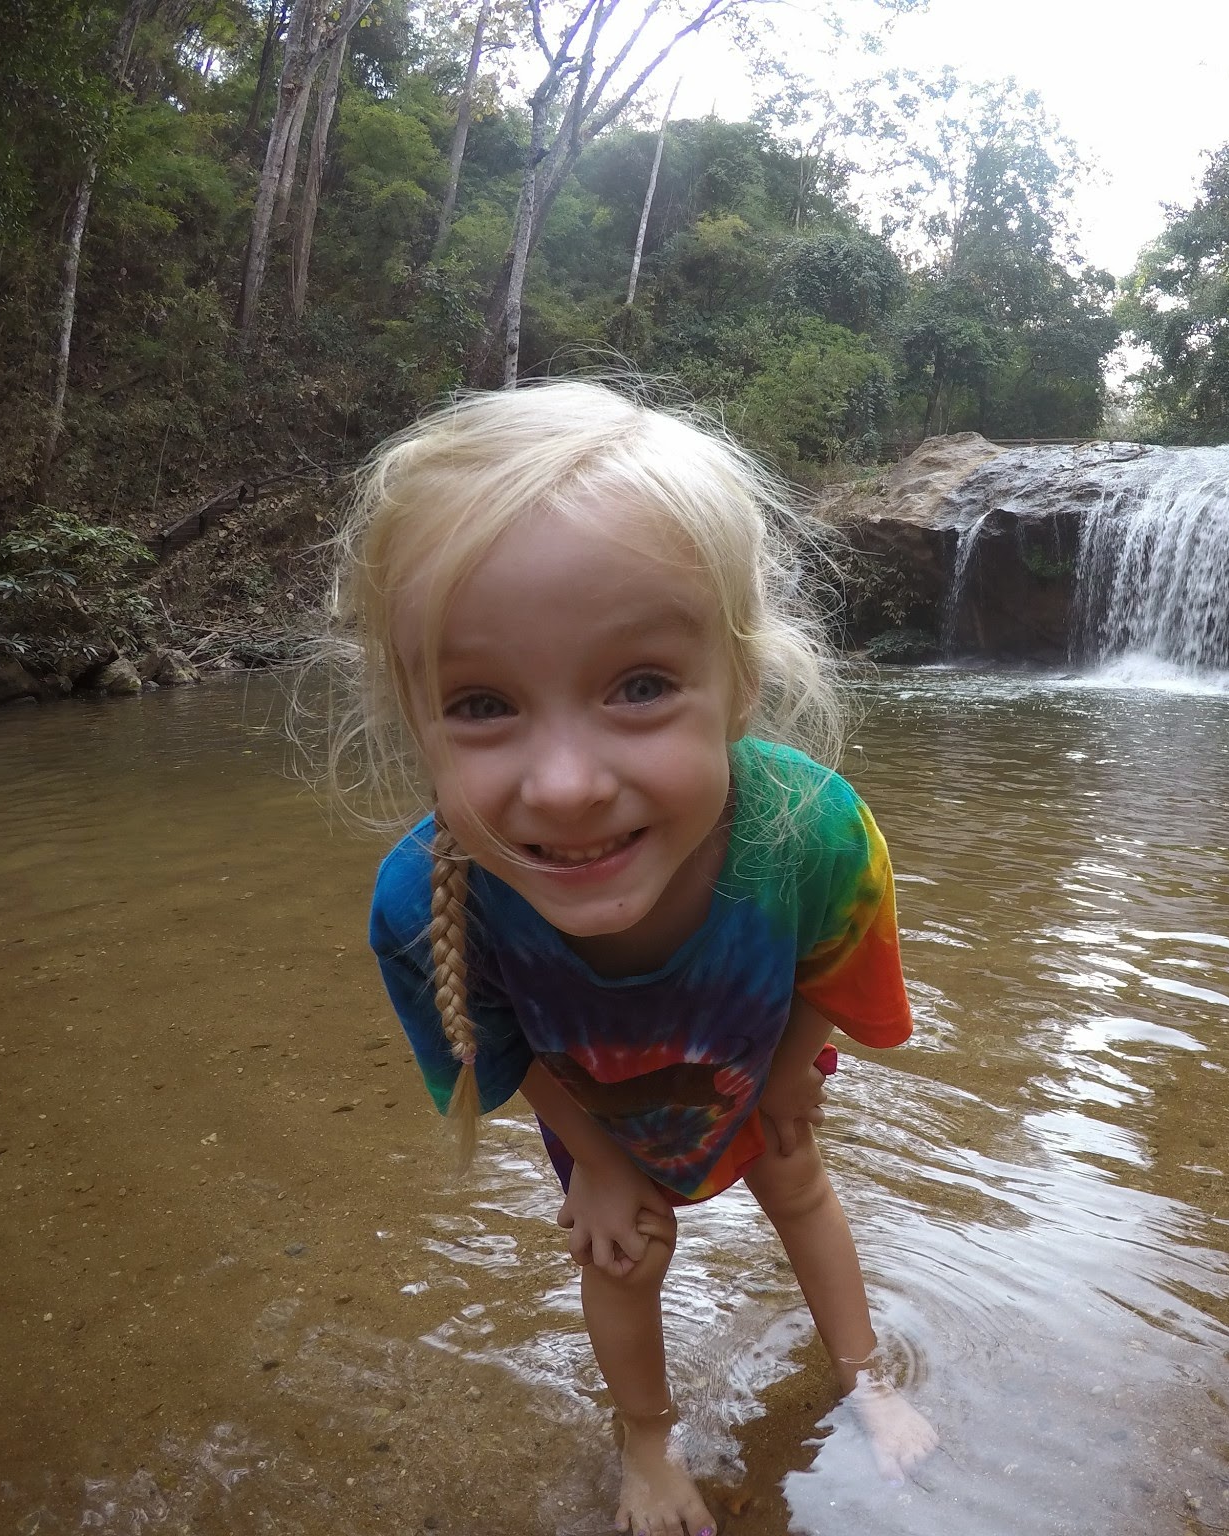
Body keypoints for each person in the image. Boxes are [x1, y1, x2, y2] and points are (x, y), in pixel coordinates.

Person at [321, 379, 938, 1536]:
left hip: (757, 1072)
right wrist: (598, 1158)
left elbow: (833, 966)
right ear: (411, 719)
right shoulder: (421, 903)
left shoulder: (812, 832)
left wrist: (789, 1074)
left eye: (640, 687)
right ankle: (646, 1444)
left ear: (740, 684)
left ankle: (864, 1376)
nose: (564, 787)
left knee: (797, 1183)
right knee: (620, 1256)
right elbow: (504, 1050)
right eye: (482, 704)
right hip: (596, 1110)